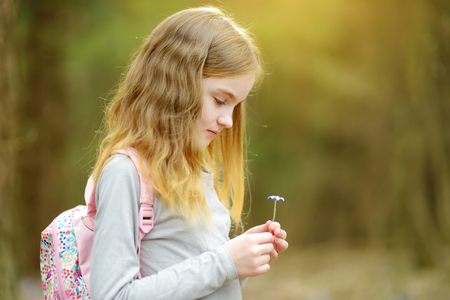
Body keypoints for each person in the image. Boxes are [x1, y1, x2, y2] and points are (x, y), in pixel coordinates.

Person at [89, 6, 288, 300]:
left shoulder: (196, 174)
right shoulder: (125, 173)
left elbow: (195, 279)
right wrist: (224, 262)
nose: (229, 121)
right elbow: (113, 296)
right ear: (175, 84)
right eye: (220, 100)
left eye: (235, 107)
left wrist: (239, 258)